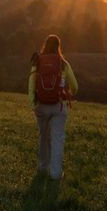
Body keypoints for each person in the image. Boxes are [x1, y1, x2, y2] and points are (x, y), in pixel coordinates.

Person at [28, 34, 78, 180]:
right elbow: (75, 85)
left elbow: (31, 84)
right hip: (58, 106)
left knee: (43, 137)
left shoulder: (37, 62)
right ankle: (55, 174)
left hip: (41, 106)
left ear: (45, 45)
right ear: (58, 47)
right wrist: (70, 93)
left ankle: (43, 168)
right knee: (57, 139)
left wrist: (33, 104)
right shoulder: (63, 64)